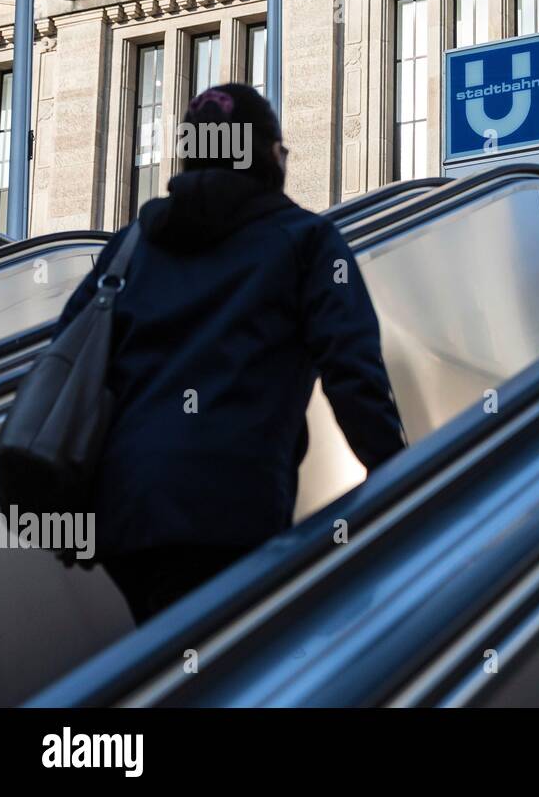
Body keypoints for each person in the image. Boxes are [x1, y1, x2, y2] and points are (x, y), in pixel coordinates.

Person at [53, 83, 406, 623]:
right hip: (235, 503)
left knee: (176, 659)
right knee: (229, 660)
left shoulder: (130, 248)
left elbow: (64, 366)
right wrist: (405, 480)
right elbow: (353, 375)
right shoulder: (306, 242)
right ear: (268, 154)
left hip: (128, 512)